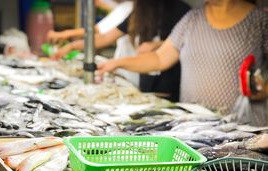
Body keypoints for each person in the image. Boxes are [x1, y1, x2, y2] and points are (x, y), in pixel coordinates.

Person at [98, 0, 268, 126]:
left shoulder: (260, 20)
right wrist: (117, 63)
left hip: (242, 127)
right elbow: (159, 59)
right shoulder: (192, 19)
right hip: (195, 126)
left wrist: (266, 90)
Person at [53, 0, 191, 101]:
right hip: (145, 79)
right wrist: (71, 46)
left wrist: (157, 45)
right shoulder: (140, 11)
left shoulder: (182, 10)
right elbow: (106, 37)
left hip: (170, 80)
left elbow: (182, 43)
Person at [47, 0, 138, 85]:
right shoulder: (126, 6)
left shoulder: (129, 7)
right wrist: (71, 45)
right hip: (124, 72)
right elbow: (105, 36)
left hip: (132, 75)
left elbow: (101, 33)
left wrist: (65, 35)